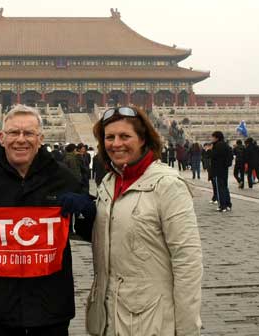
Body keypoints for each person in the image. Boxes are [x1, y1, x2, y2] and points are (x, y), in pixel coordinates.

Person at [0, 104, 86, 335]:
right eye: (13, 133)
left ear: (40, 139)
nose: (21, 140)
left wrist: (86, 208)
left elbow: (92, 227)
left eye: (29, 133)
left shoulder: (62, 178)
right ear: (2, 137)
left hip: (51, 306)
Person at [78, 106, 203, 336]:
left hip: (151, 321)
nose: (116, 144)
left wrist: (186, 329)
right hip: (108, 317)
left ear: (143, 139)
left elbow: (188, 261)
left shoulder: (167, 185)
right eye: (110, 137)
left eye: (125, 136)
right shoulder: (109, 182)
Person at [210, 131, 233, 212]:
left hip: (217, 169)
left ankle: (222, 205)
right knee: (225, 187)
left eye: (213, 137)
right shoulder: (226, 145)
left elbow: (213, 156)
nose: (211, 138)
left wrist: (210, 150)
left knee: (219, 188)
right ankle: (228, 204)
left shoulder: (217, 146)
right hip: (224, 169)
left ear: (217, 137)